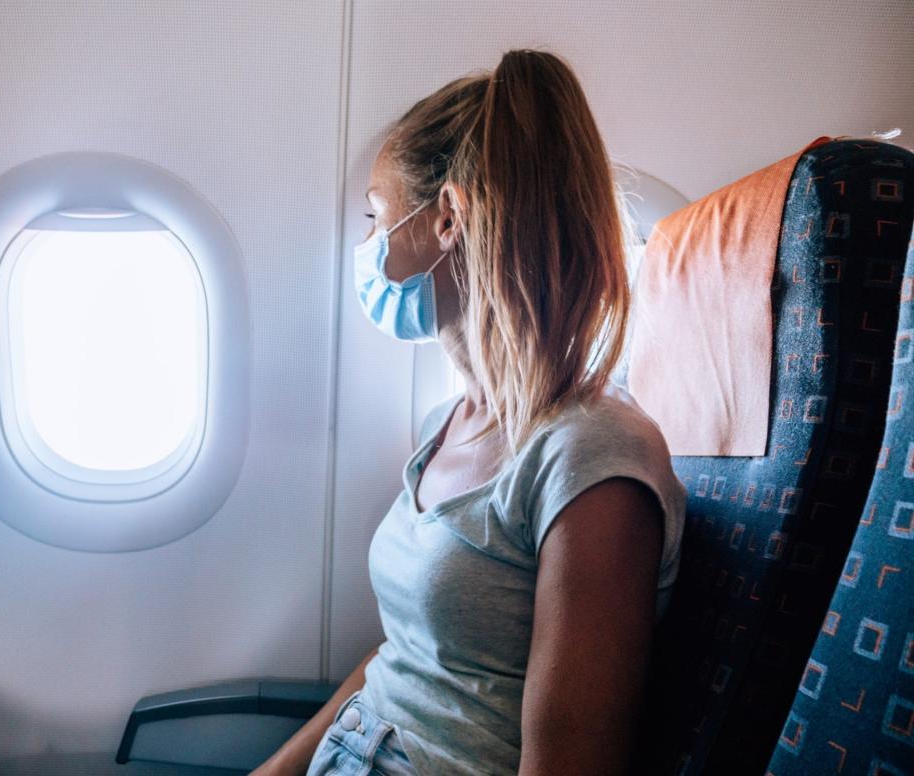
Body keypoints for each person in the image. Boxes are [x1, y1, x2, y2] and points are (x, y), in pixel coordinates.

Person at [251, 49, 686, 776]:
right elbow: (404, 660)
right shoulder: (444, 425)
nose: (367, 247)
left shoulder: (592, 456)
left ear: (447, 217)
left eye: (377, 216)